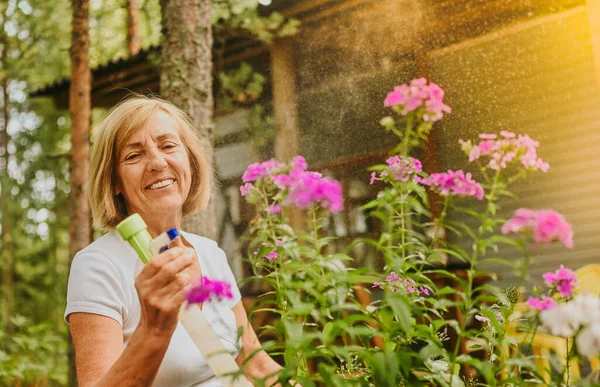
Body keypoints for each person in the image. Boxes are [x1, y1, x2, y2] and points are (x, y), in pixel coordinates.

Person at [65, 96, 282, 386]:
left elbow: (255, 364)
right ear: (114, 181)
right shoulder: (98, 266)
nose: (157, 162)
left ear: (189, 162)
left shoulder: (210, 253)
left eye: (168, 146)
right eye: (134, 155)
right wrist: (153, 329)